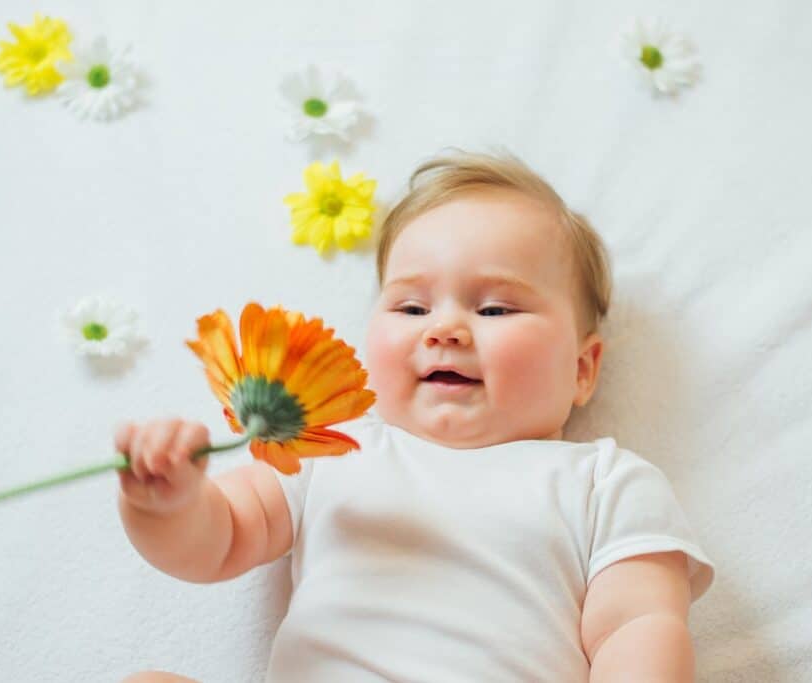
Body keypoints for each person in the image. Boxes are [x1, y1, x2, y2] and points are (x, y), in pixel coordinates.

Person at [118, 150, 715, 682]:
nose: (444, 328)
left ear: (582, 370)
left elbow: (636, 628)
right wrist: (167, 503)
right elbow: (217, 542)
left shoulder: (604, 482)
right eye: (411, 305)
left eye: (495, 308)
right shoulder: (331, 449)